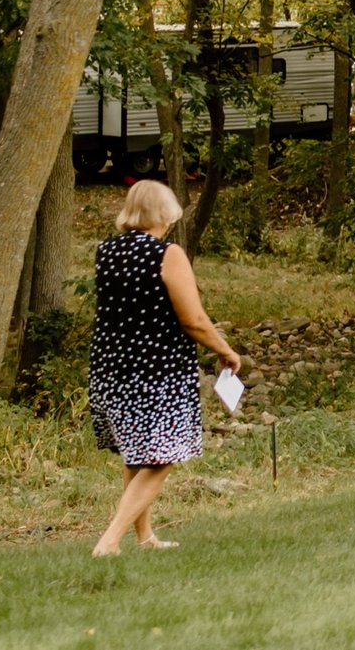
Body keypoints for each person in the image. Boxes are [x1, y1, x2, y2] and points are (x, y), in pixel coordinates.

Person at [88, 179, 241, 557]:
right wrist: (226, 351)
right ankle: (109, 541)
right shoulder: (167, 254)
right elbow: (193, 320)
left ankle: (144, 538)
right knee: (162, 457)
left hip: (111, 368)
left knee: (137, 455)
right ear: (164, 213)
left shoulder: (106, 251)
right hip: (157, 371)